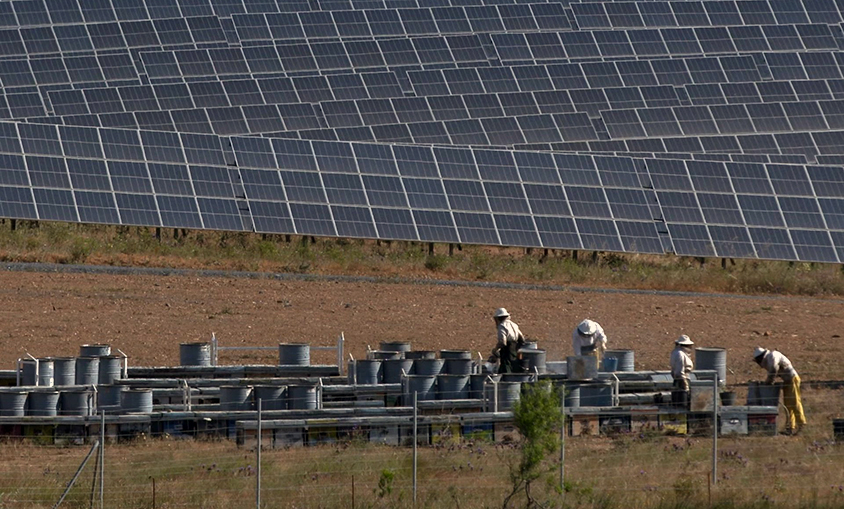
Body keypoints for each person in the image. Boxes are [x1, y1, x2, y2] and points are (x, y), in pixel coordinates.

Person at [753, 347, 806, 435]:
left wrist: (769, 381)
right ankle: (790, 427)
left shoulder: (773, 355)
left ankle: (802, 424)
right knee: (788, 404)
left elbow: (774, 369)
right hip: (787, 380)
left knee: (795, 402)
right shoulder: (770, 358)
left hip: (792, 379)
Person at [489, 308, 525, 374]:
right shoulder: (514, 325)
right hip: (514, 349)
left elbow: (502, 342)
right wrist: (516, 349)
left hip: (507, 350)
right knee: (514, 366)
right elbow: (522, 339)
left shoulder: (502, 326)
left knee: (506, 368)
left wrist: (495, 349)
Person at [670, 335, 695, 409]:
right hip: (682, 380)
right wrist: (685, 383)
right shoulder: (680, 354)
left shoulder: (676, 352)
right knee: (683, 403)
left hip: (679, 379)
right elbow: (679, 371)